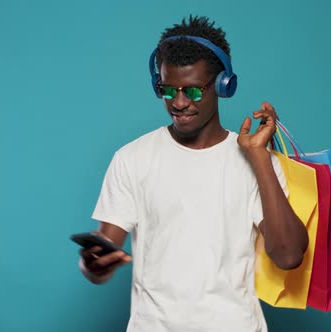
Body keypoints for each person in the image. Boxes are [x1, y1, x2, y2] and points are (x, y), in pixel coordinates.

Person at [78, 15, 308, 332]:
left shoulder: (257, 161)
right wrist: (92, 264)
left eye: (194, 91)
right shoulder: (132, 159)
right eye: (168, 90)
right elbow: (103, 255)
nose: (180, 102)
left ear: (224, 85)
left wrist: (259, 159)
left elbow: (289, 255)